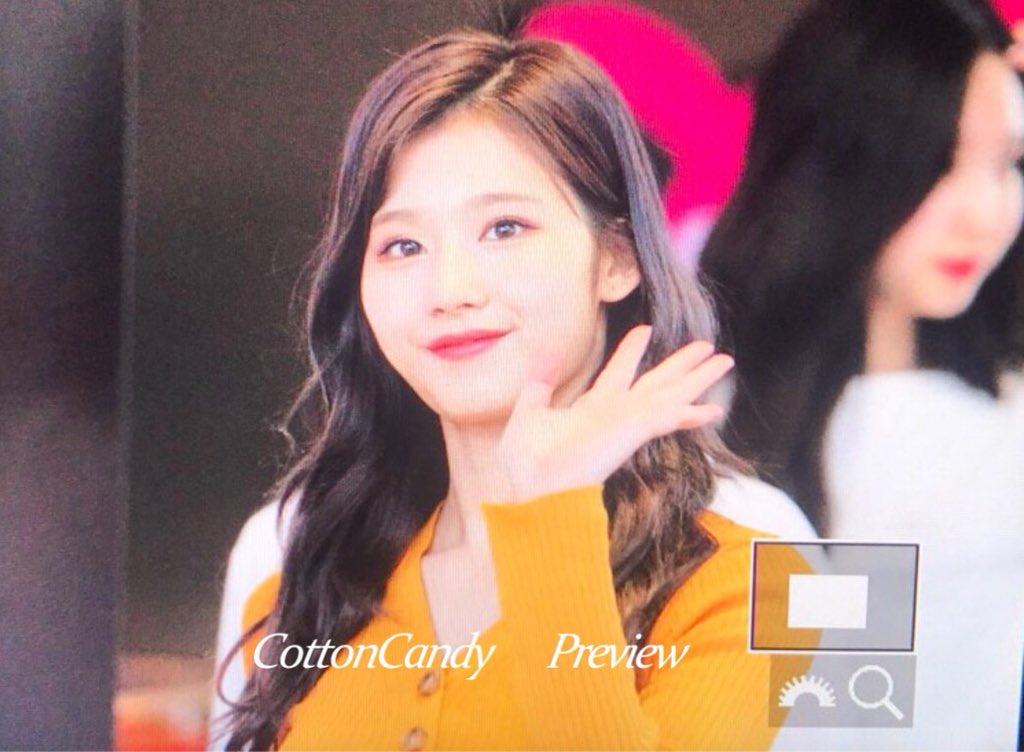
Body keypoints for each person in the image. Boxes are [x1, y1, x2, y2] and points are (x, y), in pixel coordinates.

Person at [209, 21, 815, 752]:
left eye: (505, 228)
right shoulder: (299, 578)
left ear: (617, 257)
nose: (450, 290)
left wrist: (550, 515)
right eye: (402, 245)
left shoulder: (750, 576)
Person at [700, 0, 1024, 747]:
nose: (985, 213)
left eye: (1008, 162)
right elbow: (834, 716)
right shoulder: (710, 427)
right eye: (940, 164)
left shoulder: (994, 421)